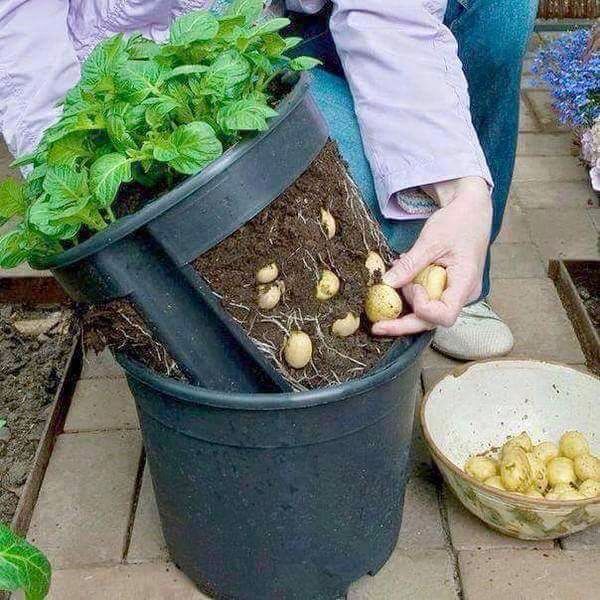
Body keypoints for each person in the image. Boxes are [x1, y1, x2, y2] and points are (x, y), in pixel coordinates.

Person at [0, 0, 538, 360]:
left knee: (501, 11)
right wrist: (68, 161)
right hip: (141, 63)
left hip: (269, 29)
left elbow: (387, 12)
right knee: (352, 213)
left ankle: (459, 273)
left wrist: (460, 187)